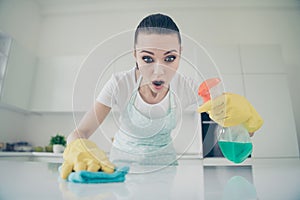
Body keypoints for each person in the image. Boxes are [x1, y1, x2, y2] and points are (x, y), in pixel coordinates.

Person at [60, 13, 263, 179]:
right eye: (147, 58)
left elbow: (235, 127)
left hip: (165, 171)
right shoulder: (119, 84)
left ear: (180, 54)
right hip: (121, 170)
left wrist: (241, 119)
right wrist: (77, 146)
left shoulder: (186, 86)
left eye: (170, 58)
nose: (158, 72)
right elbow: (80, 132)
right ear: (135, 55)